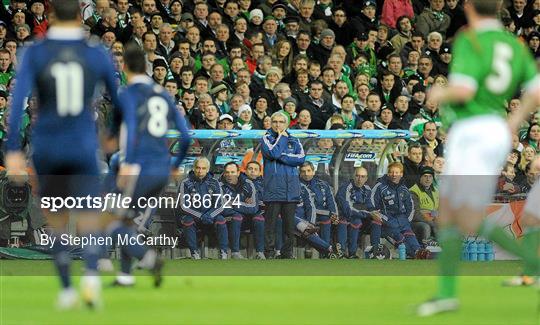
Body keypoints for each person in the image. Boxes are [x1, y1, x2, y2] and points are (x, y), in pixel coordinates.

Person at [417, 0, 540, 316]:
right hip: (494, 131)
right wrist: (513, 122)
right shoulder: (514, 44)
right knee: (458, 214)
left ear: (469, 8)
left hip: (471, 131)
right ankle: (447, 295)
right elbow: (536, 92)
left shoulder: (471, 39)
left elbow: (464, 91)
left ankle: (533, 265)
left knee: (459, 214)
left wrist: (437, 94)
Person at [4, 0, 123, 309]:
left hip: (47, 146)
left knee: (56, 217)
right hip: (83, 143)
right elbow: (118, 99)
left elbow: (16, 108)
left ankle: (68, 289)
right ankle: (92, 278)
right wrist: (111, 138)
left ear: (52, 16)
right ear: (80, 17)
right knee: (88, 215)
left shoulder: (35, 52)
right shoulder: (97, 53)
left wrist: (13, 150)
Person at [109, 45, 191, 287]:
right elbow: (185, 136)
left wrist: (129, 164)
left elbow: (131, 128)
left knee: (110, 223)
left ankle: (148, 258)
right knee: (127, 222)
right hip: (161, 169)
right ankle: (125, 276)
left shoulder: (128, 93)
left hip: (138, 168)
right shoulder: (164, 94)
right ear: (146, 67)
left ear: (124, 67)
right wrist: (174, 165)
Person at [260, 111, 305, 258]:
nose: (278, 125)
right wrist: (282, 139)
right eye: (275, 122)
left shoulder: (295, 140)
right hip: (273, 189)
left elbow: (301, 159)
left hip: (290, 190)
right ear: (271, 123)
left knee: (289, 227)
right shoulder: (266, 138)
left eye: (281, 122)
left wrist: (281, 156)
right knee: (270, 226)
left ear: (286, 124)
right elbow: (273, 154)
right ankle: (269, 253)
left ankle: (287, 253)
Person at [369, 162, 424, 259]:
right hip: (387, 223)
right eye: (391, 172)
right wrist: (384, 219)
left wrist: (406, 220)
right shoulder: (380, 186)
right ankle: (413, 253)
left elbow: (411, 207)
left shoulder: (404, 188)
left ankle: (419, 252)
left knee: (411, 237)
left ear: (401, 174)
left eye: (397, 172)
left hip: (403, 221)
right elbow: (372, 205)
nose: (394, 175)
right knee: (400, 239)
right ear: (388, 173)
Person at [178, 157, 229, 259]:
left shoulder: (215, 183)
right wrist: (201, 216)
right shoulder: (185, 183)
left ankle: (223, 253)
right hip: (193, 217)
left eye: (203, 168)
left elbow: (220, 205)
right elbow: (184, 206)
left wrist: (209, 215)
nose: (200, 171)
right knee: (188, 220)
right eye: (197, 168)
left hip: (210, 218)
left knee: (221, 220)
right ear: (193, 168)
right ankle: (194, 253)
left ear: (207, 169)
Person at [220, 162, 265, 259]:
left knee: (259, 218)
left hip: (248, 217)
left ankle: (260, 253)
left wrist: (235, 203)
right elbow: (223, 207)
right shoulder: (219, 185)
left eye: (232, 172)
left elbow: (254, 207)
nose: (229, 175)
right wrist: (243, 203)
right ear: (224, 173)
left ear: (238, 173)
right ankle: (235, 253)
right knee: (237, 217)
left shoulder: (249, 183)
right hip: (229, 218)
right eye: (227, 172)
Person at [336, 166, 376, 258]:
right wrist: (368, 213)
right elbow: (348, 210)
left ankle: (353, 253)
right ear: (353, 176)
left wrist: (374, 213)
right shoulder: (345, 187)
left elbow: (370, 206)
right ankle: (341, 253)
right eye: (357, 176)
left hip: (359, 217)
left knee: (370, 221)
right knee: (346, 221)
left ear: (366, 178)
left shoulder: (367, 189)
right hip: (342, 216)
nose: (359, 179)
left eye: (362, 177)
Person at [409, 166, 439, 243]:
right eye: (425, 176)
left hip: (432, 219)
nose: (428, 179)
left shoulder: (435, 191)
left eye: (430, 176)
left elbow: (439, 210)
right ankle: (424, 249)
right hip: (415, 222)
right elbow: (415, 214)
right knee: (425, 227)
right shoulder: (413, 191)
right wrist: (431, 221)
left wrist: (433, 215)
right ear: (420, 177)